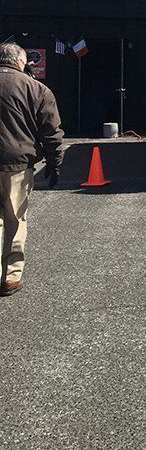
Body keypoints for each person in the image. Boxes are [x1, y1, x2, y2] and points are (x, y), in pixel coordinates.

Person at [0, 43, 64, 296]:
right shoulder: (37, 89)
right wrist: (54, 163)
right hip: (18, 163)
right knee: (15, 219)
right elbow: (51, 132)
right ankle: (10, 277)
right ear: (21, 62)